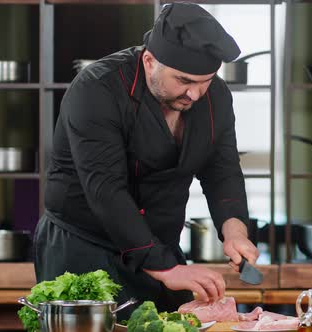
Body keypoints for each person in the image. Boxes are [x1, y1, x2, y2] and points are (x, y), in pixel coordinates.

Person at [34, 2, 259, 318]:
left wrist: (234, 230)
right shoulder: (97, 88)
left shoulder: (215, 96)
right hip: (85, 247)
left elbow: (221, 168)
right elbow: (105, 189)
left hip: (159, 244)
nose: (194, 94)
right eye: (183, 80)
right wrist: (164, 267)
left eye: (204, 81)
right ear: (150, 61)